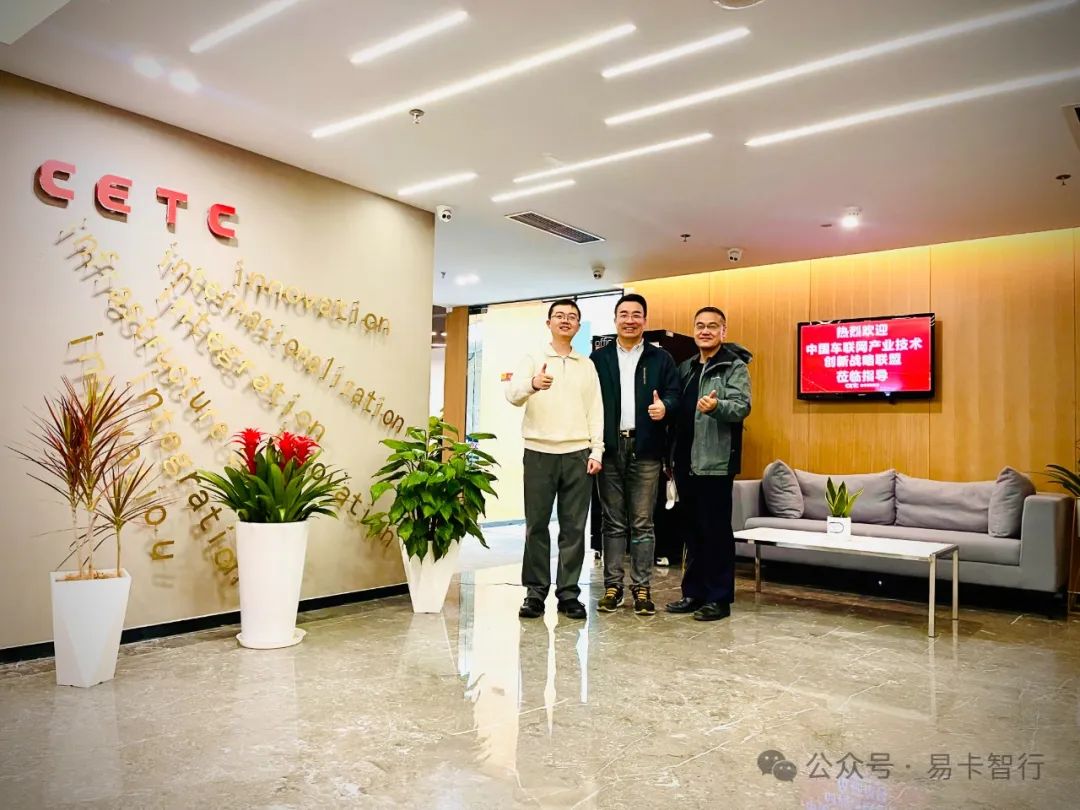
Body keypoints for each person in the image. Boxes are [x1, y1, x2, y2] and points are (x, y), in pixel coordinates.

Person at [506, 299, 604, 620]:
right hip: (539, 453)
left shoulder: (586, 365)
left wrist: (597, 450)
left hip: (577, 454)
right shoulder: (533, 358)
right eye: (559, 316)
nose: (565, 320)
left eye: (572, 317)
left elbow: (596, 411)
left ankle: (569, 594)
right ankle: (535, 593)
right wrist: (533, 384)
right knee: (536, 526)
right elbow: (512, 394)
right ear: (548, 323)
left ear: (578, 326)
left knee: (574, 528)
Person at [590, 293, 680, 615]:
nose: (630, 320)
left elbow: (675, 395)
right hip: (609, 448)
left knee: (643, 522)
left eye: (636, 314)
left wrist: (665, 407)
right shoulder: (598, 359)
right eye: (624, 314)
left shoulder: (661, 358)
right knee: (612, 521)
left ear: (645, 319)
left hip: (646, 449)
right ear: (615, 319)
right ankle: (612, 586)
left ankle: (642, 587)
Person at [666, 307, 752, 622]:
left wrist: (717, 406)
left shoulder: (733, 366)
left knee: (715, 532)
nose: (705, 331)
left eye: (712, 326)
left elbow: (742, 407)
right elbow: (676, 407)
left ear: (723, 331)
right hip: (685, 461)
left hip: (715, 462)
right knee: (691, 531)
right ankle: (693, 593)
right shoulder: (686, 367)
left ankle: (718, 598)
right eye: (700, 326)